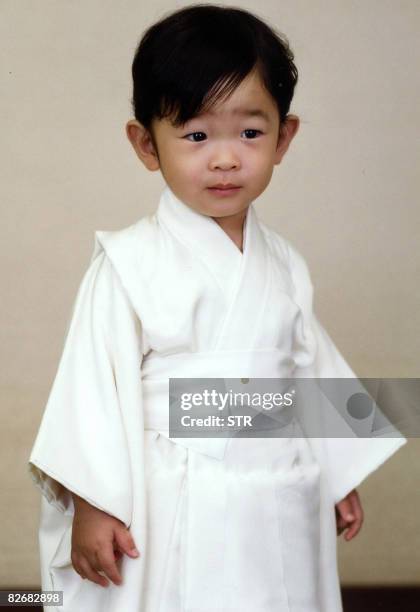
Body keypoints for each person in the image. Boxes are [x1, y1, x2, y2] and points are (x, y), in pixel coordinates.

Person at [28, 5, 407, 611]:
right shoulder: (128, 262)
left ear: (284, 138)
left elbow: (306, 367)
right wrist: (94, 505)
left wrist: (338, 472)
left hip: (278, 482)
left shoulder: (283, 263)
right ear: (146, 143)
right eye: (197, 135)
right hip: (167, 485)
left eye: (250, 134)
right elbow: (91, 387)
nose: (226, 158)